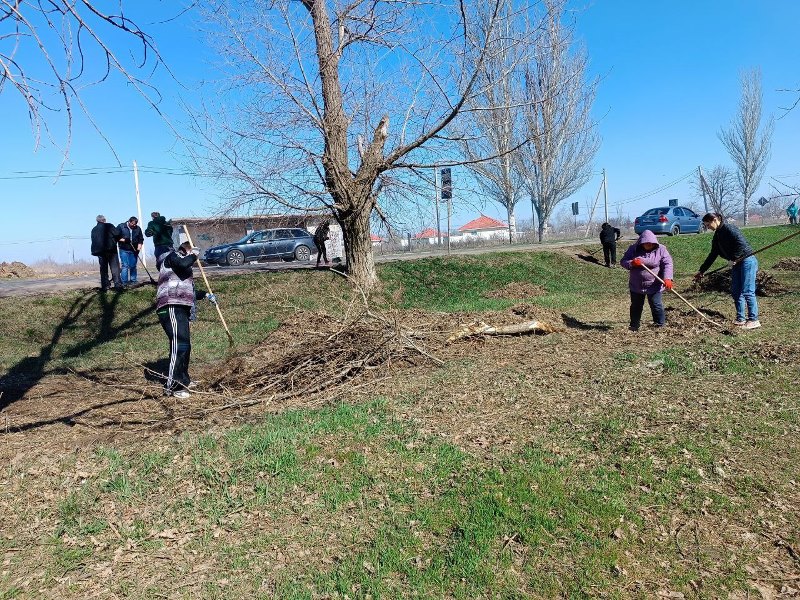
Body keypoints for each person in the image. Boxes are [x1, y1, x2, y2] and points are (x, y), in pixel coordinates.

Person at [155, 241, 217, 398]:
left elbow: (187, 291)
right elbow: (183, 263)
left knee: (185, 345)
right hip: (170, 306)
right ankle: (173, 386)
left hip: (181, 307)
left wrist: (206, 295)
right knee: (179, 344)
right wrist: (194, 255)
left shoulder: (182, 266)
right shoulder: (172, 257)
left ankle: (183, 380)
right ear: (185, 249)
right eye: (191, 250)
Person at [693, 212, 759, 329]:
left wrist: (735, 257)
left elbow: (741, 243)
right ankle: (741, 318)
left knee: (747, 291)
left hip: (747, 260)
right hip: (736, 263)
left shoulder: (729, 228)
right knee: (735, 291)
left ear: (714, 220)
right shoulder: (717, 235)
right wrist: (701, 271)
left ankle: (754, 320)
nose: (707, 227)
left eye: (708, 225)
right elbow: (713, 254)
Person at [620, 230, 674, 331]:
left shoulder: (661, 249)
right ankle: (634, 326)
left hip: (655, 284)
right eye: (646, 243)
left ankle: (659, 325)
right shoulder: (633, 249)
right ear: (641, 242)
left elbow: (667, 264)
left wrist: (667, 278)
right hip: (636, 285)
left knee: (656, 305)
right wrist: (632, 263)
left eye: (651, 243)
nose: (649, 245)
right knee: (636, 305)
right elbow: (623, 261)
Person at [90, 215, 124, 292]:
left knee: (103, 269)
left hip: (100, 252)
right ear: (104, 220)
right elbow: (117, 234)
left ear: (97, 221)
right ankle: (117, 285)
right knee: (115, 268)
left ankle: (105, 286)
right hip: (110, 250)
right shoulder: (109, 226)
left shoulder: (94, 229)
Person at [117, 216, 144, 286]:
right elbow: (116, 237)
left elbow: (141, 240)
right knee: (125, 265)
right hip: (124, 249)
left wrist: (138, 249)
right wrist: (125, 240)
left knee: (133, 266)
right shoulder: (121, 226)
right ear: (129, 221)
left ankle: (133, 280)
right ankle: (124, 282)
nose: (134, 226)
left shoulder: (138, 229)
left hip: (134, 250)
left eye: (135, 224)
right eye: (132, 224)